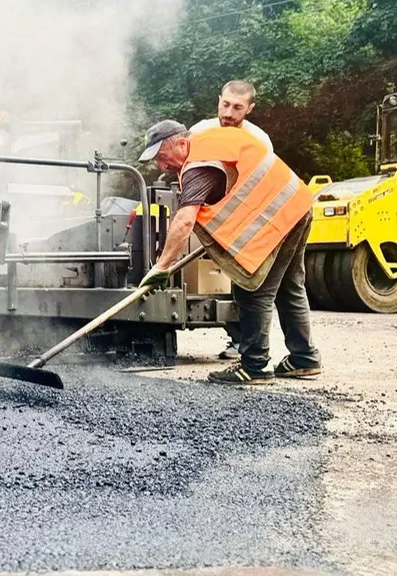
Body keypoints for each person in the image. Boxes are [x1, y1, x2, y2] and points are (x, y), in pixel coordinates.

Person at [136, 119, 321, 385]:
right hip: (296, 203)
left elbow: (184, 220)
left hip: (278, 217)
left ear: (181, 143)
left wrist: (161, 266)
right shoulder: (212, 141)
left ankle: (255, 366)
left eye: (162, 157)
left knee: (252, 290)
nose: (162, 166)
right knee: (289, 286)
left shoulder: (198, 165)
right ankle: (304, 358)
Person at [190, 80, 272, 360]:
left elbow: (265, 185)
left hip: (246, 220)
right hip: (210, 218)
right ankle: (241, 340)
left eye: (237, 107)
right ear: (218, 100)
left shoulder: (259, 140)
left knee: (249, 285)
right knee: (217, 280)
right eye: (225, 104)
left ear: (250, 108)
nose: (228, 112)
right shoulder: (200, 132)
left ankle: (247, 346)